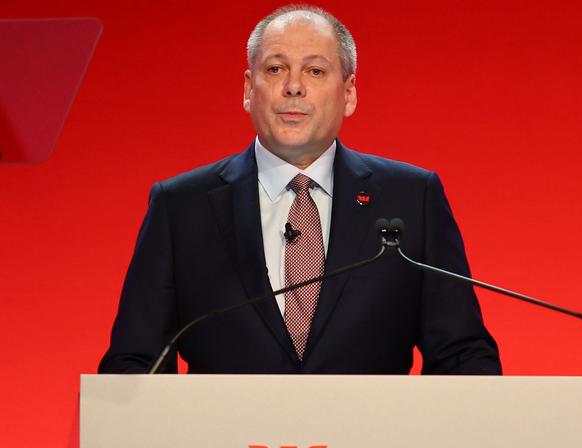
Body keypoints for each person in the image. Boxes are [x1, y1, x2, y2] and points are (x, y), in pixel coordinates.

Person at [98, 5, 501, 374]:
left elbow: (463, 357)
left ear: (348, 93)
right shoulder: (181, 207)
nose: (294, 87)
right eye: (275, 69)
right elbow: (135, 362)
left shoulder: (412, 199)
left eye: (315, 71)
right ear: (247, 88)